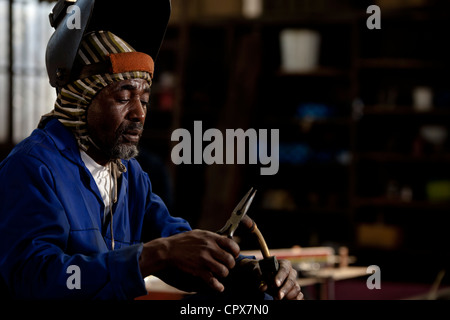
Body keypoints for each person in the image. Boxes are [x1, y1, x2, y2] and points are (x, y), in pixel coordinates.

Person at [0, 0, 303, 300]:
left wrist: (245, 272)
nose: (139, 114)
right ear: (81, 99)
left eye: (144, 99)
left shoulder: (127, 174)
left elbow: (174, 244)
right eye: (123, 96)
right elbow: (36, 279)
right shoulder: (33, 168)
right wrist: (152, 256)